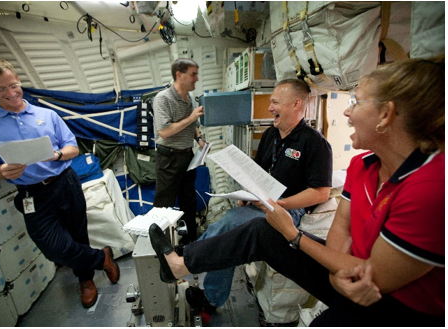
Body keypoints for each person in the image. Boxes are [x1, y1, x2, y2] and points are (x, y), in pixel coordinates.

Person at [148, 55, 444, 326]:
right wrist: (335, 271)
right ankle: (180, 263)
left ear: (386, 115)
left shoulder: (429, 188)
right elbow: (341, 229)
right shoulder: (361, 165)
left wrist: (289, 225)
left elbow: (323, 197)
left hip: (394, 305)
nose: (348, 112)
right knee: (250, 228)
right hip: (341, 267)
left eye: (356, 101)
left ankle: (193, 272)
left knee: (229, 226)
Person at [0, 57, 120, 308]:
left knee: (78, 234)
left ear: (18, 79)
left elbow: (73, 147)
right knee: (53, 248)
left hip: (64, 182)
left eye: (14, 85)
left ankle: (86, 280)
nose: (11, 92)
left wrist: (58, 154)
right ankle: (101, 258)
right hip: (31, 193)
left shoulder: (47, 115)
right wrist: (3, 171)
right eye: (2, 89)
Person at [187, 79, 333, 312]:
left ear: (296, 104)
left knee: (230, 224)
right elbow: (257, 172)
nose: (269, 108)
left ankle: (187, 262)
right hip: (263, 202)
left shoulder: (315, 143)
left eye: (275, 102)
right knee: (229, 222)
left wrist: (279, 204)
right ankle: (204, 282)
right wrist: (247, 194)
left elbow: (320, 192)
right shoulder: (270, 136)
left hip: (287, 210)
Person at [152, 58, 205, 244]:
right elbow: (164, 132)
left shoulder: (188, 98)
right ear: (179, 75)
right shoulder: (162, 99)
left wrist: (198, 138)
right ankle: (161, 244)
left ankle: (191, 240)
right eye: (193, 74)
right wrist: (191, 118)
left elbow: (192, 123)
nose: (196, 79)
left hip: (187, 155)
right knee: (163, 204)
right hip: (169, 158)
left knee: (188, 201)